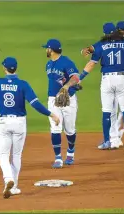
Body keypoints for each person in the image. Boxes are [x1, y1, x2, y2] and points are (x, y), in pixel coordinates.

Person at [0, 52, 60, 199]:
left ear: (5, 69)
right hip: (19, 123)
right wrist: (51, 114)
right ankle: (14, 186)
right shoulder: (23, 85)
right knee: (16, 155)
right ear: (15, 68)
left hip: (4, 122)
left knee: (4, 155)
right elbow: (35, 104)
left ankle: (7, 179)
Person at [42, 39, 81, 168]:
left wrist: (67, 86)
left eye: (46, 48)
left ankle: (70, 151)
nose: (45, 51)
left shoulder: (66, 62)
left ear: (51, 50)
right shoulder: (48, 64)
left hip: (68, 99)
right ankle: (58, 157)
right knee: (55, 127)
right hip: (53, 99)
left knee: (69, 129)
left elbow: (76, 77)